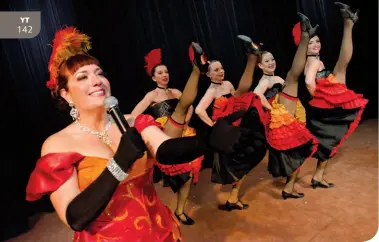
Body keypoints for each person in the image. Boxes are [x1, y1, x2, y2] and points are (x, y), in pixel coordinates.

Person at [25, 26, 253, 242]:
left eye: (99, 73)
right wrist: (120, 162)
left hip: (157, 229)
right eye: (82, 77)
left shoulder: (133, 122)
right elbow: (75, 217)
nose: (97, 81)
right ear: (66, 94)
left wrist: (208, 140)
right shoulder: (58, 144)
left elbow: (165, 151)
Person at [130, 43, 206, 225]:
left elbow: (190, 106)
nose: (165, 75)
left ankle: (180, 211)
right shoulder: (152, 95)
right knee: (181, 176)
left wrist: (186, 121)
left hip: (183, 132)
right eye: (160, 73)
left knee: (187, 177)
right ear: (154, 77)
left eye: (166, 72)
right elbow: (134, 115)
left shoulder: (177, 92)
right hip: (166, 136)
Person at [195, 35, 267, 210]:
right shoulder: (211, 90)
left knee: (243, 93)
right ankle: (251, 56)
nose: (221, 72)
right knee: (238, 161)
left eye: (222, 69)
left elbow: (236, 100)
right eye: (217, 70)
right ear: (209, 74)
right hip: (224, 127)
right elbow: (199, 110)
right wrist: (211, 124)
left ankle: (233, 198)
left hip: (234, 122)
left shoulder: (227, 84)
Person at [253, 13, 319, 199]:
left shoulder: (277, 78)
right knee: (295, 149)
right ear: (259, 66)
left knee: (297, 149)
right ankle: (288, 187)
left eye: (272, 59)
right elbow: (256, 95)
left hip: (289, 113)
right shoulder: (265, 81)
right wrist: (270, 108)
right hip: (280, 117)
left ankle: (289, 187)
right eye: (267, 61)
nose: (271, 62)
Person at [303, 2, 368, 188]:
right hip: (325, 98)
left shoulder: (314, 60)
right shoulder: (313, 61)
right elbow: (308, 81)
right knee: (342, 65)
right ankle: (349, 23)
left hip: (326, 95)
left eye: (317, 41)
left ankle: (318, 176)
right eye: (311, 42)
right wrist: (319, 99)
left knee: (329, 142)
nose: (315, 45)